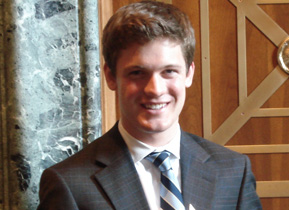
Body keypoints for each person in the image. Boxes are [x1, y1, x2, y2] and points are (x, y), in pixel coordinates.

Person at [38, 1, 262, 209]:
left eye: (169, 72)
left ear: (189, 74)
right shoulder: (69, 184)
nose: (155, 89)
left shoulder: (233, 172)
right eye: (137, 73)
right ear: (111, 77)